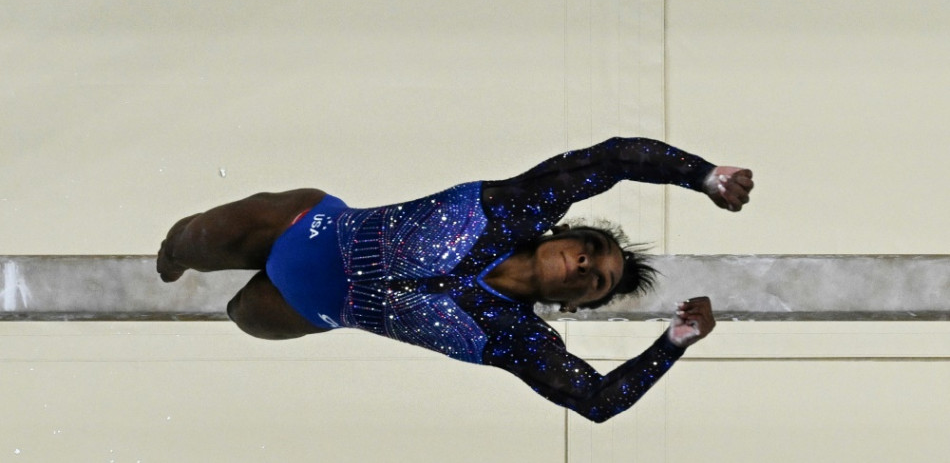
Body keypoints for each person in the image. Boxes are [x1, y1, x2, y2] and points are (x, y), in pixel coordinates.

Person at [157, 137, 753, 423]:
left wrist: (671, 345)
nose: (586, 265)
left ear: (575, 307)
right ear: (562, 232)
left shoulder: (517, 339)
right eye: (590, 249)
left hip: (307, 312)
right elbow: (615, 159)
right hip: (303, 225)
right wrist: (701, 175)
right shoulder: (511, 209)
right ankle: (178, 252)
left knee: (239, 315)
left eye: (597, 281)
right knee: (183, 248)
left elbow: (597, 402)